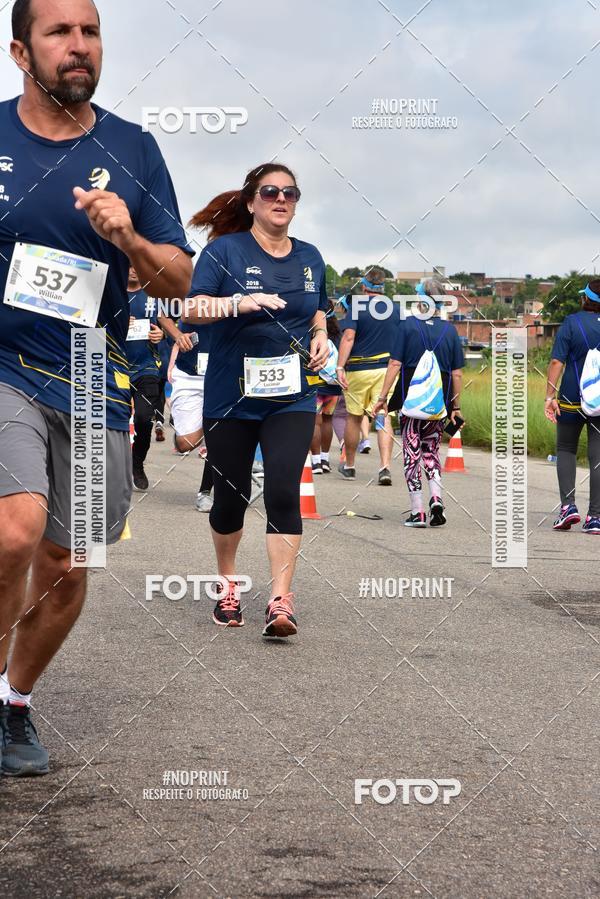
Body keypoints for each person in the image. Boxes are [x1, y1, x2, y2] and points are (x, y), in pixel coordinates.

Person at [0, 0, 192, 776]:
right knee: (15, 529)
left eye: (91, 32)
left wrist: (129, 238)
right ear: (21, 52)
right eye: (60, 32)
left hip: (89, 374)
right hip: (4, 362)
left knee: (66, 562)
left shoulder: (134, 149)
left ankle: (13, 701)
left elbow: (178, 279)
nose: (79, 46)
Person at [183, 163, 329, 636]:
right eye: (270, 192)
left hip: (292, 397)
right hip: (231, 397)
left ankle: (280, 601)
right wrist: (238, 303)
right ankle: (228, 585)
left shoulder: (310, 257)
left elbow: (318, 309)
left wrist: (322, 336)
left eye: (290, 192)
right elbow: (191, 308)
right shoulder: (224, 251)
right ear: (251, 202)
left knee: (284, 490)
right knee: (232, 497)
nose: (281, 199)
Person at [373, 279, 464, 527]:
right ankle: (436, 498)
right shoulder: (450, 331)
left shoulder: (407, 326)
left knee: (411, 454)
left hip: (411, 404)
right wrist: (455, 407)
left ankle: (418, 511)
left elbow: (395, 364)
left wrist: (382, 398)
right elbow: (457, 374)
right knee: (431, 451)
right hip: (439, 406)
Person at [545, 280, 600, 533]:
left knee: (566, 449)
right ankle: (595, 517)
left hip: (570, 397)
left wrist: (549, 396)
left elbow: (557, 362)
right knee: (598, 456)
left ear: (585, 299)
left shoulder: (571, 322)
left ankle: (568, 507)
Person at [336, 268, 398, 485]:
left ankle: (350, 466)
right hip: (386, 370)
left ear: (364, 286)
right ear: (383, 286)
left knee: (353, 418)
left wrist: (339, 367)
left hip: (359, 369)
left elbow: (348, 337)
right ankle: (385, 467)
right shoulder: (395, 309)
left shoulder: (356, 307)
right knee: (384, 417)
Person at [158, 318, 214, 512]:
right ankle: (200, 424)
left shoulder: (237, 299)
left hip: (222, 370)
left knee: (217, 432)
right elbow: (161, 312)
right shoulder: (186, 298)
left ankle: (205, 492)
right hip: (189, 373)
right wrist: (177, 336)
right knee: (185, 444)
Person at [126, 267, 165, 491]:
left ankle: (137, 463)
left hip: (147, 368)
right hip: (116, 368)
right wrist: (117, 325)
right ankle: (116, 465)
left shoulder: (154, 294)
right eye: (128, 265)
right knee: (115, 423)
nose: (133, 270)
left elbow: (167, 325)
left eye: (136, 265)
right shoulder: (112, 293)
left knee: (143, 419)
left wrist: (161, 334)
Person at [310, 306, 342, 474]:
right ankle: (325, 460)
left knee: (315, 422)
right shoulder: (338, 334)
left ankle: (315, 462)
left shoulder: (314, 333)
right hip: (333, 385)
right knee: (328, 421)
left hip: (316, 383)